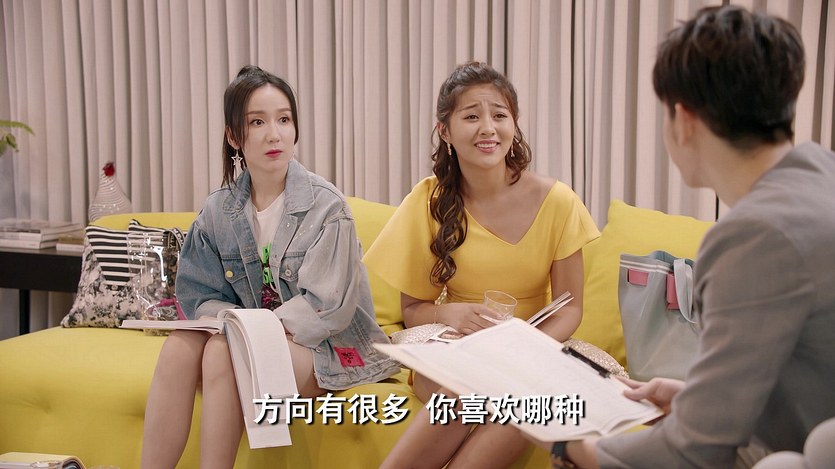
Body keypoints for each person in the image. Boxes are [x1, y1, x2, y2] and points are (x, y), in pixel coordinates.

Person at [547, 6, 835, 468]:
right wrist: (696, 399)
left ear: (683, 120)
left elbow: (692, 453)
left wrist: (567, 443)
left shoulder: (754, 236)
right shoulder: (823, 176)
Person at [140, 65, 400, 469]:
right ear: (233, 136)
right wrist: (234, 323)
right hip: (251, 337)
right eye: (257, 122)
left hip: (328, 349)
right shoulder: (218, 211)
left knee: (223, 351)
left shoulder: (326, 206)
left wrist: (250, 328)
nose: (274, 134)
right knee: (179, 347)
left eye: (283, 119)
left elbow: (328, 308)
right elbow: (198, 296)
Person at [364, 61, 600, 468]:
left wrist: (524, 349)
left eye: (499, 115)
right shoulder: (429, 201)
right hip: (454, 344)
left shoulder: (557, 201)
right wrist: (451, 313)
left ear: (514, 123)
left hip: (534, 345)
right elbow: (413, 310)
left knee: (527, 404)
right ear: (445, 131)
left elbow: (570, 307)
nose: (488, 128)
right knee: (465, 383)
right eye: (471, 116)